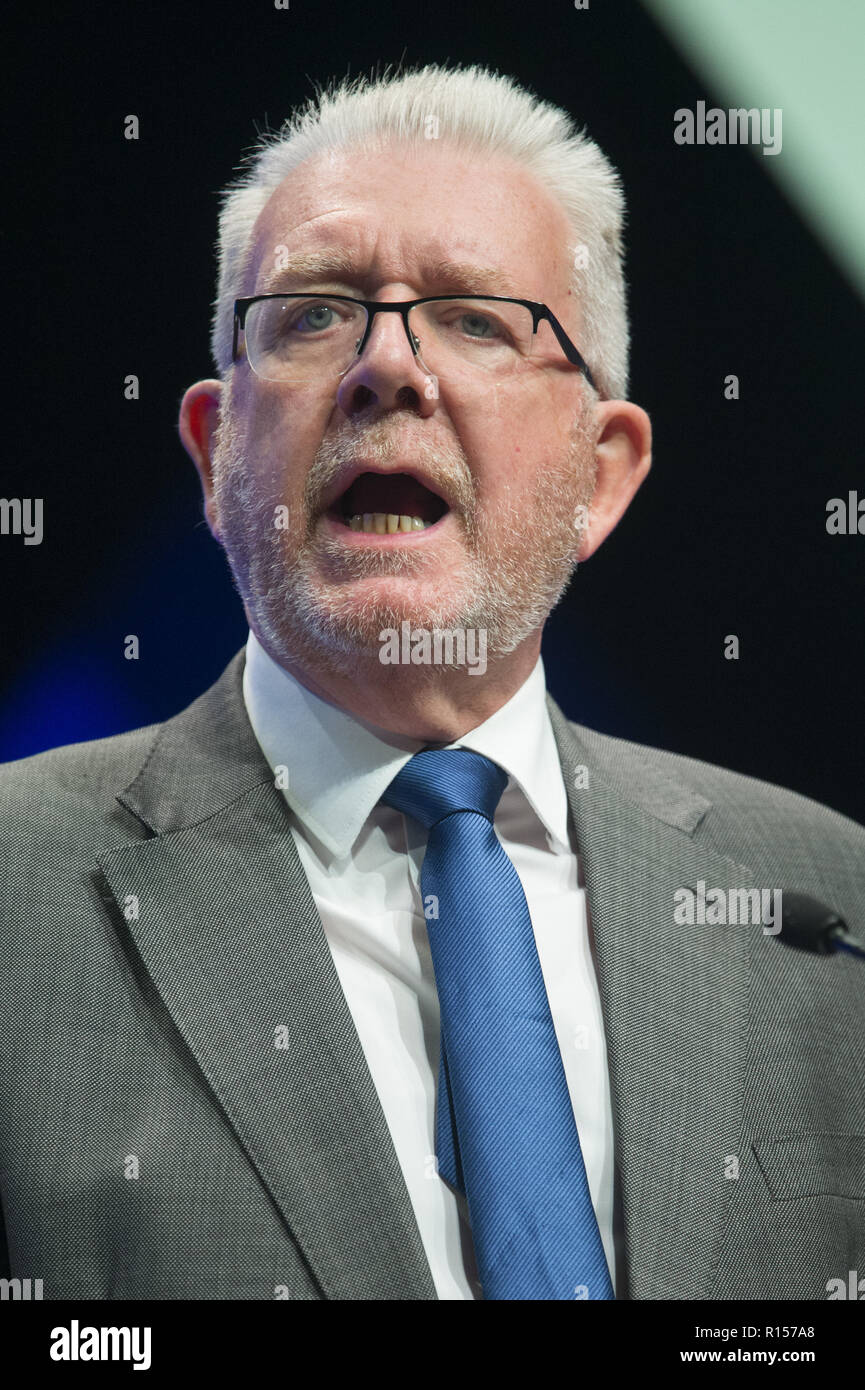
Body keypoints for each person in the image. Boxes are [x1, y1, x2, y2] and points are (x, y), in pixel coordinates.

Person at [1, 63, 863, 1302]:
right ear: (213, 450)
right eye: (309, 315)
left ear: (601, 475)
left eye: (473, 318)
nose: (386, 368)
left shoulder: (824, 908)